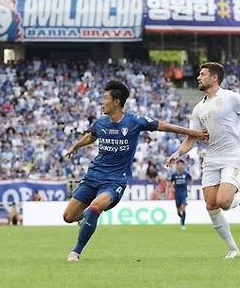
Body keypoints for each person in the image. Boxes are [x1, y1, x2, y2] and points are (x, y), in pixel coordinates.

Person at [62, 80, 208, 262]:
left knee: (94, 208)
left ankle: (75, 252)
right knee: (68, 217)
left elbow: (165, 126)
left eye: (105, 98)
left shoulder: (135, 121)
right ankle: (83, 219)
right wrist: (75, 146)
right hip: (93, 175)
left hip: (115, 180)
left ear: (116, 102)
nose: (101, 102)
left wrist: (193, 133)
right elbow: (91, 136)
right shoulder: (100, 122)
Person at [166, 62, 240, 259]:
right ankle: (233, 249)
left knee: (224, 202)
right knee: (211, 205)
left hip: (233, 156)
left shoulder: (231, 98)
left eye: (202, 74)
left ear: (214, 78)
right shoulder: (199, 108)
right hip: (212, 158)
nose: (198, 77)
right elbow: (192, 137)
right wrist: (178, 153)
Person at [169, 159, 191, 230]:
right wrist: (172, 187)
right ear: (176, 166)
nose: (180, 166)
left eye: (181, 164)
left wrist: (190, 187)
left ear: (183, 166)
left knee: (183, 208)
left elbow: (190, 179)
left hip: (184, 193)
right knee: (178, 212)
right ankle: (182, 219)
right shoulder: (174, 175)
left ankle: (183, 224)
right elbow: (170, 182)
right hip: (177, 194)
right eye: (178, 164)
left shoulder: (186, 174)